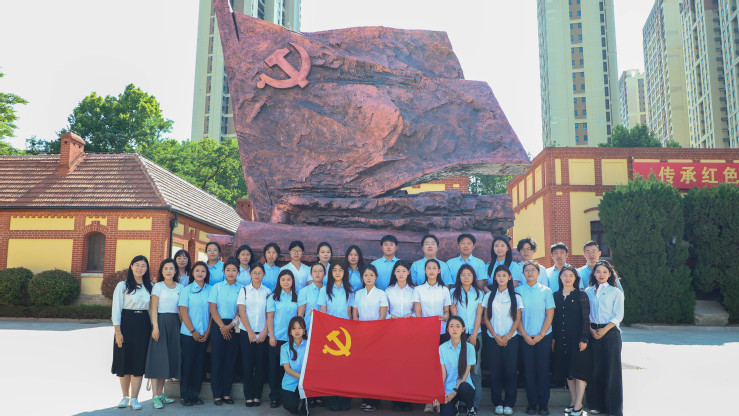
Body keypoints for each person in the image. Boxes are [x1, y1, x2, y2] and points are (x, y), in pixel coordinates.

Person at [112, 255, 153, 411]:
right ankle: (125, 396)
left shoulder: (150, 286)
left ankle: (135, 398)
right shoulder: (122, 285)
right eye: (137, 265)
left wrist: (154, 328)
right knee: (124, 360)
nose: (140, 268)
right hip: (126, 323)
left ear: (147, 269)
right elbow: (116, 309)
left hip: (143, 325)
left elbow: (152, 310)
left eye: (143, 265)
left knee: (138, 361)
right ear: (131, 266)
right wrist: (117, 332)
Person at [585, 260, 624, 416]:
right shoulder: (588, 291)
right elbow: (585, 313)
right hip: (592, 332)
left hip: (610, 332)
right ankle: (596, 405)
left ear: (609, 274)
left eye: (604, 272)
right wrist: (591, 330)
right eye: (598, 271)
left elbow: (618, 315)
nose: (601, 275)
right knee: (595, 369)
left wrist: (604, 330)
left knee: (611, 371)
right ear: (594, 274)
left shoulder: (615, 292)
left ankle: (613, 408)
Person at [482, 265, 522, 416]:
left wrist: (507, 336)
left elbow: (517, 319)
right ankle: (497, 402)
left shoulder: (516, 296)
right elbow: (486, 318)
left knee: (511, 371)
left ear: (510, 277)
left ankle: (510, 403)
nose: (501, 278)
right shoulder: (489, 296)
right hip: (493, 338)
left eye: (504, 275)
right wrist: (495, 335)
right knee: (495, 371)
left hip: (511, 339)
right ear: (495, 278)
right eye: (498, 275)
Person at [517, 260, 555, 415]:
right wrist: (525, 335)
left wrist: (540, 335)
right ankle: (532, 404)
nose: (530, 272)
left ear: (539, 273)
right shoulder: (518, 291)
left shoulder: (546, 291)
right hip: (524, 337)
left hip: (543, 337)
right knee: (529, 371)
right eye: (527, 270)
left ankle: (543, 405)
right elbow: (516, 317)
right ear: (523, 273)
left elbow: (549, 314)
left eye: (533, 270)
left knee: (543, 371)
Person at [552, 265, 591, 416]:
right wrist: (554, 338)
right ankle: (573, 401)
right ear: (560, 277)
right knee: (568, 371)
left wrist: (584, 338)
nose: (567, 278)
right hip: (561, 339)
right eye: (564, 275)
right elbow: (554, 320)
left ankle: (579, 404)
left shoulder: (581, 295)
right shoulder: (555, 295)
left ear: (576, 278)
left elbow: (586, 319)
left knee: (578, 372)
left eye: (571, 275)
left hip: (577, 339)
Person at [144, 258, 181, 409]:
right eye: (165, 268)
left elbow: (181, 309)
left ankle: (161, 394)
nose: (168, 271)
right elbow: (154, 308)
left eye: (171, 268)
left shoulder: (181, 287)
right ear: (162, 271)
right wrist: (155, 327)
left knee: (167, 360)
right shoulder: (158, 286)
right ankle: (155, 397)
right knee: (157, 360)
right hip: (161, 323)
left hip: (175, 324)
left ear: (175, 271)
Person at [318, 262, 354, 411]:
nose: (337, 272)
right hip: (330, 333)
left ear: (345, 273)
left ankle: (345, 399)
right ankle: (331, 399)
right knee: (330, 368)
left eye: (341, 270)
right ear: (330, 272)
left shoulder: (350, 290)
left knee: (345, 369)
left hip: (346, 334)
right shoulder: (324, 290)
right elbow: (323, 312)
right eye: (334, 270)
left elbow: (350, 314)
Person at [352, 264, 388, 412]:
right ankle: (364, 398)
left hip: (376, 335)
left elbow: (383, 314)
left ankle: (374, 401)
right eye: (366, 275)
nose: (368, 278)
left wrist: (374, 331)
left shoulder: (381, 293)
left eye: (371, 275)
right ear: (362, 277)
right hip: (361, 334)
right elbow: (355, 313)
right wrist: (358, 329)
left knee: (375, 368)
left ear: (376, 277)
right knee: (363, 368)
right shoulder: (358, 293)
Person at [449, 265, 484, 414]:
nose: (466, 277)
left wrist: (474, 334)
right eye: (463, 274)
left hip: (475, 333)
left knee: (475, 369)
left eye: (469, 274)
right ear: (459, 277)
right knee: (460, 367)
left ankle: (474, 402)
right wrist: (460, 333)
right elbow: (454, 315)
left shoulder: (479, 293)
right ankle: (462, 401)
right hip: (459, 334)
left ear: (473, 276)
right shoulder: (453, 292)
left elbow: (479, 314)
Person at [208, 258, 243, 405]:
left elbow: (241, 310)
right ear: (224, 271)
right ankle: (217, 394)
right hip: (218, 325)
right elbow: (212, 308)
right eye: (228, 270)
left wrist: (230, 326)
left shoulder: (242, 288)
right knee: (217, 360)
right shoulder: (216, 287)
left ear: (238, 272)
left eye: (234, 270)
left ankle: (226, 394)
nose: (231, 272)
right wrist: (223, 327)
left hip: (235, 325)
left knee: (230, 360)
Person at [178, 261, 212, 406]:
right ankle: (185, 396)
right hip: (188, 334)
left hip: (204, 333)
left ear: (206, 274)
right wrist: (193, 331)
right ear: (192, 273)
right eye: (197, 270)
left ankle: (195, 395)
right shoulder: (187, 290)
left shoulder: (211, 290)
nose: (200, 273)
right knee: (188, 364)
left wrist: (207, 331)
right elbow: (183, 312)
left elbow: (212, 313)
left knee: (199, 365)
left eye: (203, 271)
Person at [237, 263, 271, 407]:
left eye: (260, 273)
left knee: (261, 365)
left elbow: (269, 314)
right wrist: (250, 331)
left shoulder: (267, 291)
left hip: (263, 333)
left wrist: (265, 331)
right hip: (246, 333)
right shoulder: (244, 290)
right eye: (254, 273)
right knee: (247, 365)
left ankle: (257, 395)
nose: (257, 275)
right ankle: (249, 396)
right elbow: (242, 311)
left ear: (264, 274)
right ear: (250, 274)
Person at [385, 260, 416, 412]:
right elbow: (385, 311)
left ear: (408, 272)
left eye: (404, 271)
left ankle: (408, 399)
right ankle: (395, 399)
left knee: (408, 365)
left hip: (410, 332)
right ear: (394, 273)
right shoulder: (388, 291)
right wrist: (390, 317)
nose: (401, 273)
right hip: (393, 331)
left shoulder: (414, 290)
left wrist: (412, 315)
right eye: (398, 271)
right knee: (395, 365)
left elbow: (418, 310)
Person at [267, 269, 299, 408]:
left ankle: (288, 396)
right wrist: (272, 335)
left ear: (293, 281)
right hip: (277, 338)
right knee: (274, 368)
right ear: (279, 281)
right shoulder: (273, 297)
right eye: (283, 279)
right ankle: (275, 397)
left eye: (289, 279)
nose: (286, 282)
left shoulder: (297, 296)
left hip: (292, 339)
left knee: (289, 369)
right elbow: (270, 317)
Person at [436, 316, 476, 416]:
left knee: (464, 387)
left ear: (463, 329)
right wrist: (439, 394)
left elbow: (465, 375)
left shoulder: (470, 348)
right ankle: (455, 409)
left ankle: (470, 408)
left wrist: (455, 391)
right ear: (447, 329)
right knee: (446, 413)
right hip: (449, 389)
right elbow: (443, 374)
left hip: (463, 387)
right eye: (451, 326)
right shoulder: (442, 348)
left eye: (458, 326)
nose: (454, 329)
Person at [414, 259, 452, 343]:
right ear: (425, 270)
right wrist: (421, 328)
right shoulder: (418, 290)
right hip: (424, 330)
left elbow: (446, 311)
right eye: (429, 268)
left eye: (434, 268)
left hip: (440, 329)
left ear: (439, 271)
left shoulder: (444, 290)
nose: (431, 271)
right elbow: (418, 313)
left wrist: (446, 317)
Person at [281, 316, 309, 415]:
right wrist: (302, 377)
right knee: (291, 406)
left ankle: (305, 406)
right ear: (290, 331)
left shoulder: (309, 345)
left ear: (304, 330)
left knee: (305, 412)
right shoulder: (284, 348)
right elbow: (287, 370)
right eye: (294, 328)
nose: (297, 331)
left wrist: (305, 380)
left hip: (306, 383)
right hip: (290, 383)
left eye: (300, 328)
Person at [298, 263, 325, 331]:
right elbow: (300, 314)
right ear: (311, 274)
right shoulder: (304, 291)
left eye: (320, 271)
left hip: (326, 327)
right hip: (309, 327)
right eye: (314, 271)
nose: (317, 273)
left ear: (324, 274)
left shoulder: (329, 290)